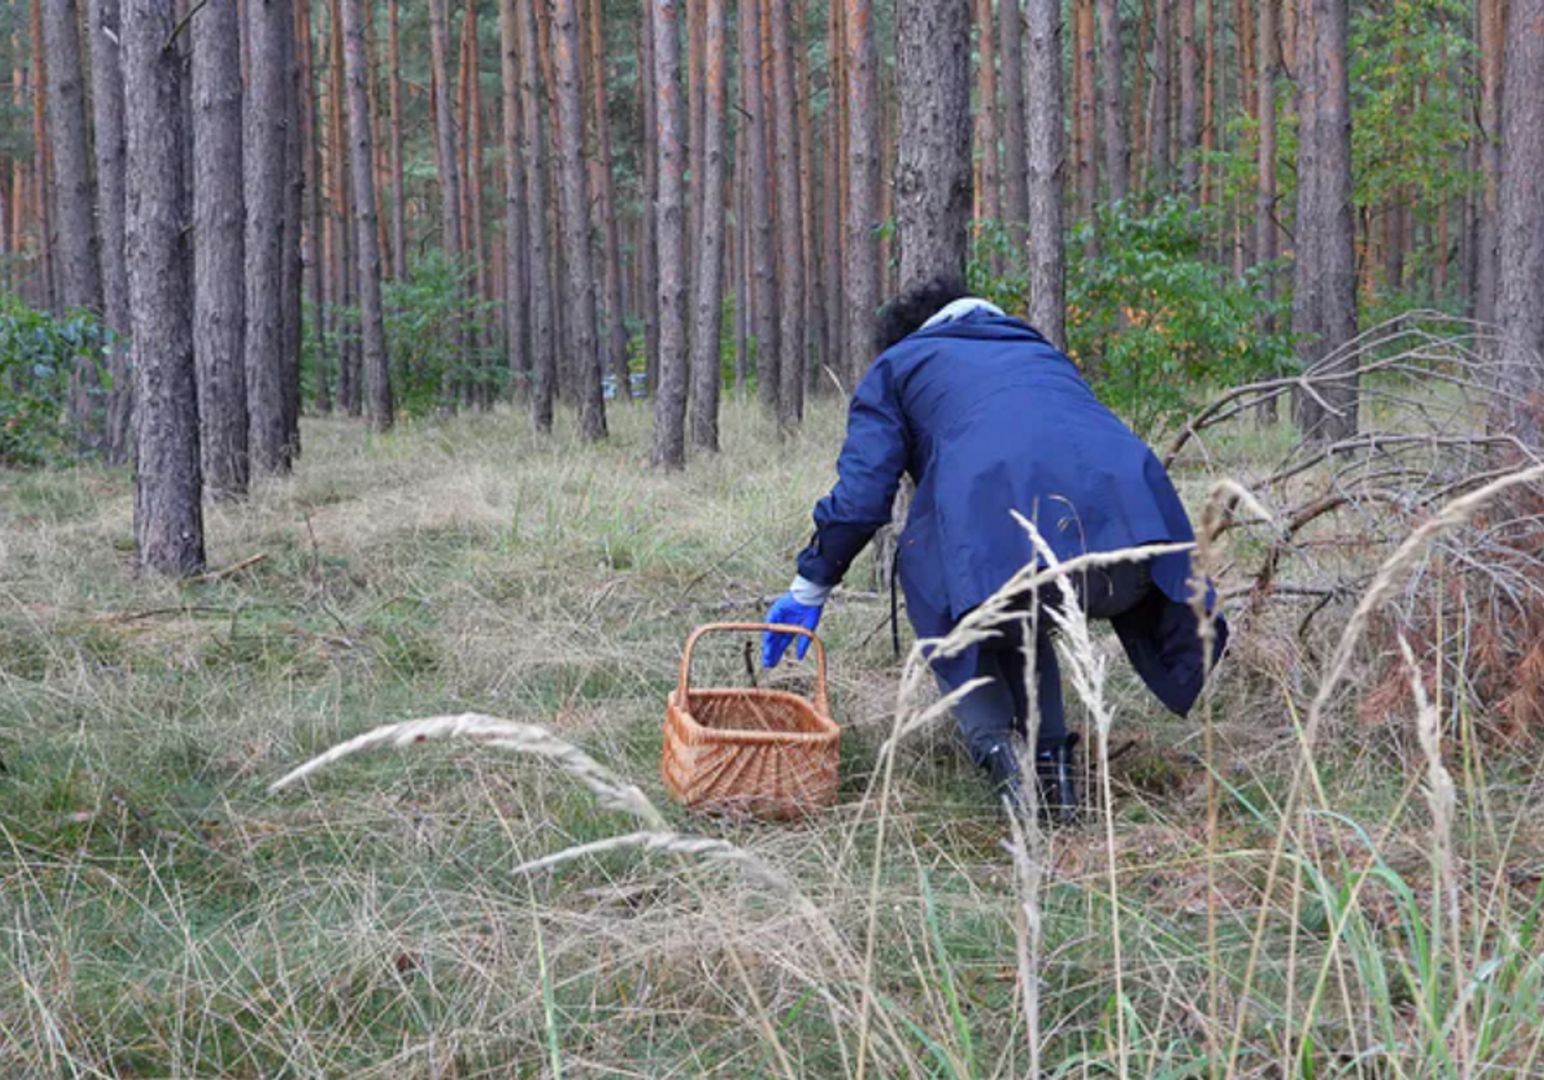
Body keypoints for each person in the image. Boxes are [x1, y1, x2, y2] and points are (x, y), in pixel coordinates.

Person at [760, 276, 1227, 821]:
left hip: (1020, 554)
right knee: (1025, 614)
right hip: (1135, 551)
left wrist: (811, 583)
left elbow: (864, 497)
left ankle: (1008, 770)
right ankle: (1060, 792)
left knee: (951, 586)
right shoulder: (1041, 355)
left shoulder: (898, 365)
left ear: (909, 334)